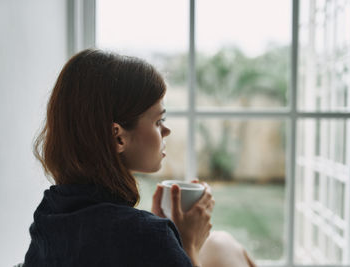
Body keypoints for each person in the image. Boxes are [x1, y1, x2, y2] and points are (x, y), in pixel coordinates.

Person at [23, 49, 256, 267]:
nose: (166, 131)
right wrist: (187, 245)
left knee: (219, 242)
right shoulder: (149, 236)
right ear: (118, 138)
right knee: (223, 245)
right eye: (157, 121)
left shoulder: (48, 214)